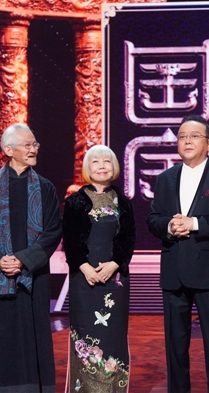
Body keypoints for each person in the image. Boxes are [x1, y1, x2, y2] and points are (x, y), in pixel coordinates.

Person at [147, 114, 209, 393]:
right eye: (182, 136)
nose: (187, 141)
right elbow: (153, 219)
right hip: (174, 272)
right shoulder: (165, 178)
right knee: (175, 346)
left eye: (194, 136)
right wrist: (170, 226)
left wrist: (194, 223)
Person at [0, 123, 62, 392]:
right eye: (27, 145)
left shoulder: (45, 188)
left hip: (33, 279)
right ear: (8, 150)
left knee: (32, 339)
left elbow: (53, 232)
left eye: (35, 144)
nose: (34, 149)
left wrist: (23, 260)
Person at [62, 145, 136, 392]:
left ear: (114, 166)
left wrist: (114, 265)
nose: (102, 166)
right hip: (84, 280)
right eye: (95, 161)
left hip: (115, 281)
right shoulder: (75, 202)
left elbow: (128, 239)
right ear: (87, 167)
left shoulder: (123, 203)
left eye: (107, 161)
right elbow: (70, 241)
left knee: (113, 337)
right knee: (85, 335)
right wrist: (86, 268)